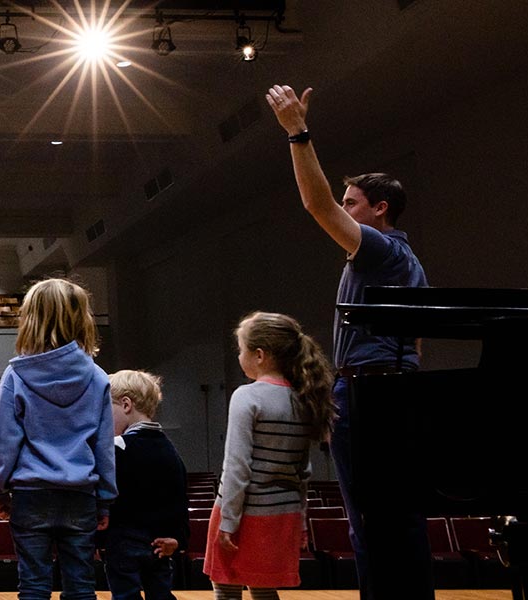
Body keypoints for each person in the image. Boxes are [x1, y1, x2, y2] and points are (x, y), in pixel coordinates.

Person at [265, 85, 432, 599]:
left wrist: (298, 134)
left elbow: (315, 205)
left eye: (352, 203)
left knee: (368, 522)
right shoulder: (410, 264)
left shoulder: (379, 250)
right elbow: (418, 344)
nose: (343, 208)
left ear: (380, 209)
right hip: (397, 390)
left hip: (368, 394)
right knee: (399, 521)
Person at [0, 277, 115, 600]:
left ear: (31, 320)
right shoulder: (97, 377)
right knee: (82, 584)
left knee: (33, 584)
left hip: (31, 493)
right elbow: (104, 447)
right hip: (81, 493)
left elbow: (4, 443)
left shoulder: (16, 375)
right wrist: (105, 499)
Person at [204, 312, 335, 599]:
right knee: (264, 590)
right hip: (282, 513)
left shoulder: (247, 397)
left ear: (260, 355)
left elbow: (237, 467)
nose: (239, 356)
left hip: (244, 512)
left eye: (241, 349)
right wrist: (300, 522)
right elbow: (304, 473)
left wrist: (228, 521)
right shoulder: (304, 398)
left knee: (226, 588)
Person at [101, 370, 188, 600]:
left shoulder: (118, 447)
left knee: (125, 594)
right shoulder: (171, 450)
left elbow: (107, 496)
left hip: (122, 541)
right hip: (160, 544)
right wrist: (177, 539)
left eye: (106, 411)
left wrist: (97, 540)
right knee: (160, 593)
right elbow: (179, 498)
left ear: (126, 404)